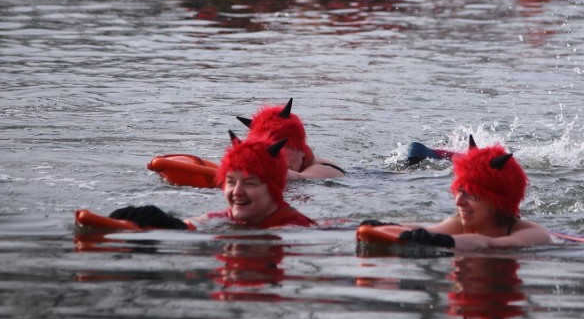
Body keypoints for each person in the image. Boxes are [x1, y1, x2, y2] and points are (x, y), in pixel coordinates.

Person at [366, 136, 552, 250]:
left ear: (498, 199)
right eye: (459, 191)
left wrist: (441, 242)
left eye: (471, 194)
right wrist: (385, 226)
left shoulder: (534, 235)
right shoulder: (460, 224)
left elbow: (490, 245)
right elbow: (426, 231)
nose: (459, 201)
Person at [110, 135, 316, 230]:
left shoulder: (292, 227)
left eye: (250, 183)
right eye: (230, 182)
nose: (237, 192)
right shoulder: (228, 217)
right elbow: (193, 225)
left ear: (273, 189)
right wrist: (166, 223)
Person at [239, 98, 346, 181]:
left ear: (302, 150)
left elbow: (297, 177)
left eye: (284, 146)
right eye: (267, 149)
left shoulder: (324, 168)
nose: (275, 155)